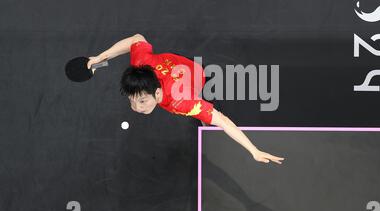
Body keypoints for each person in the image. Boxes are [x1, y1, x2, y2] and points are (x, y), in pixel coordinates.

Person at [87, 34, 284, 165]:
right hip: (173, 63)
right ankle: (200, 111)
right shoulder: (140, 64)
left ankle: (201, 109)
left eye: (142, 102)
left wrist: (253, 150)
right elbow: (137, 38)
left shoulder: (180, 102)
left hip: (195, 73)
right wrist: (100, 57)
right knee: (200, 112)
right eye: (132, 101)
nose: (136, 108)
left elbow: (222, 120)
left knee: (204, 111)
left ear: (156, 94)